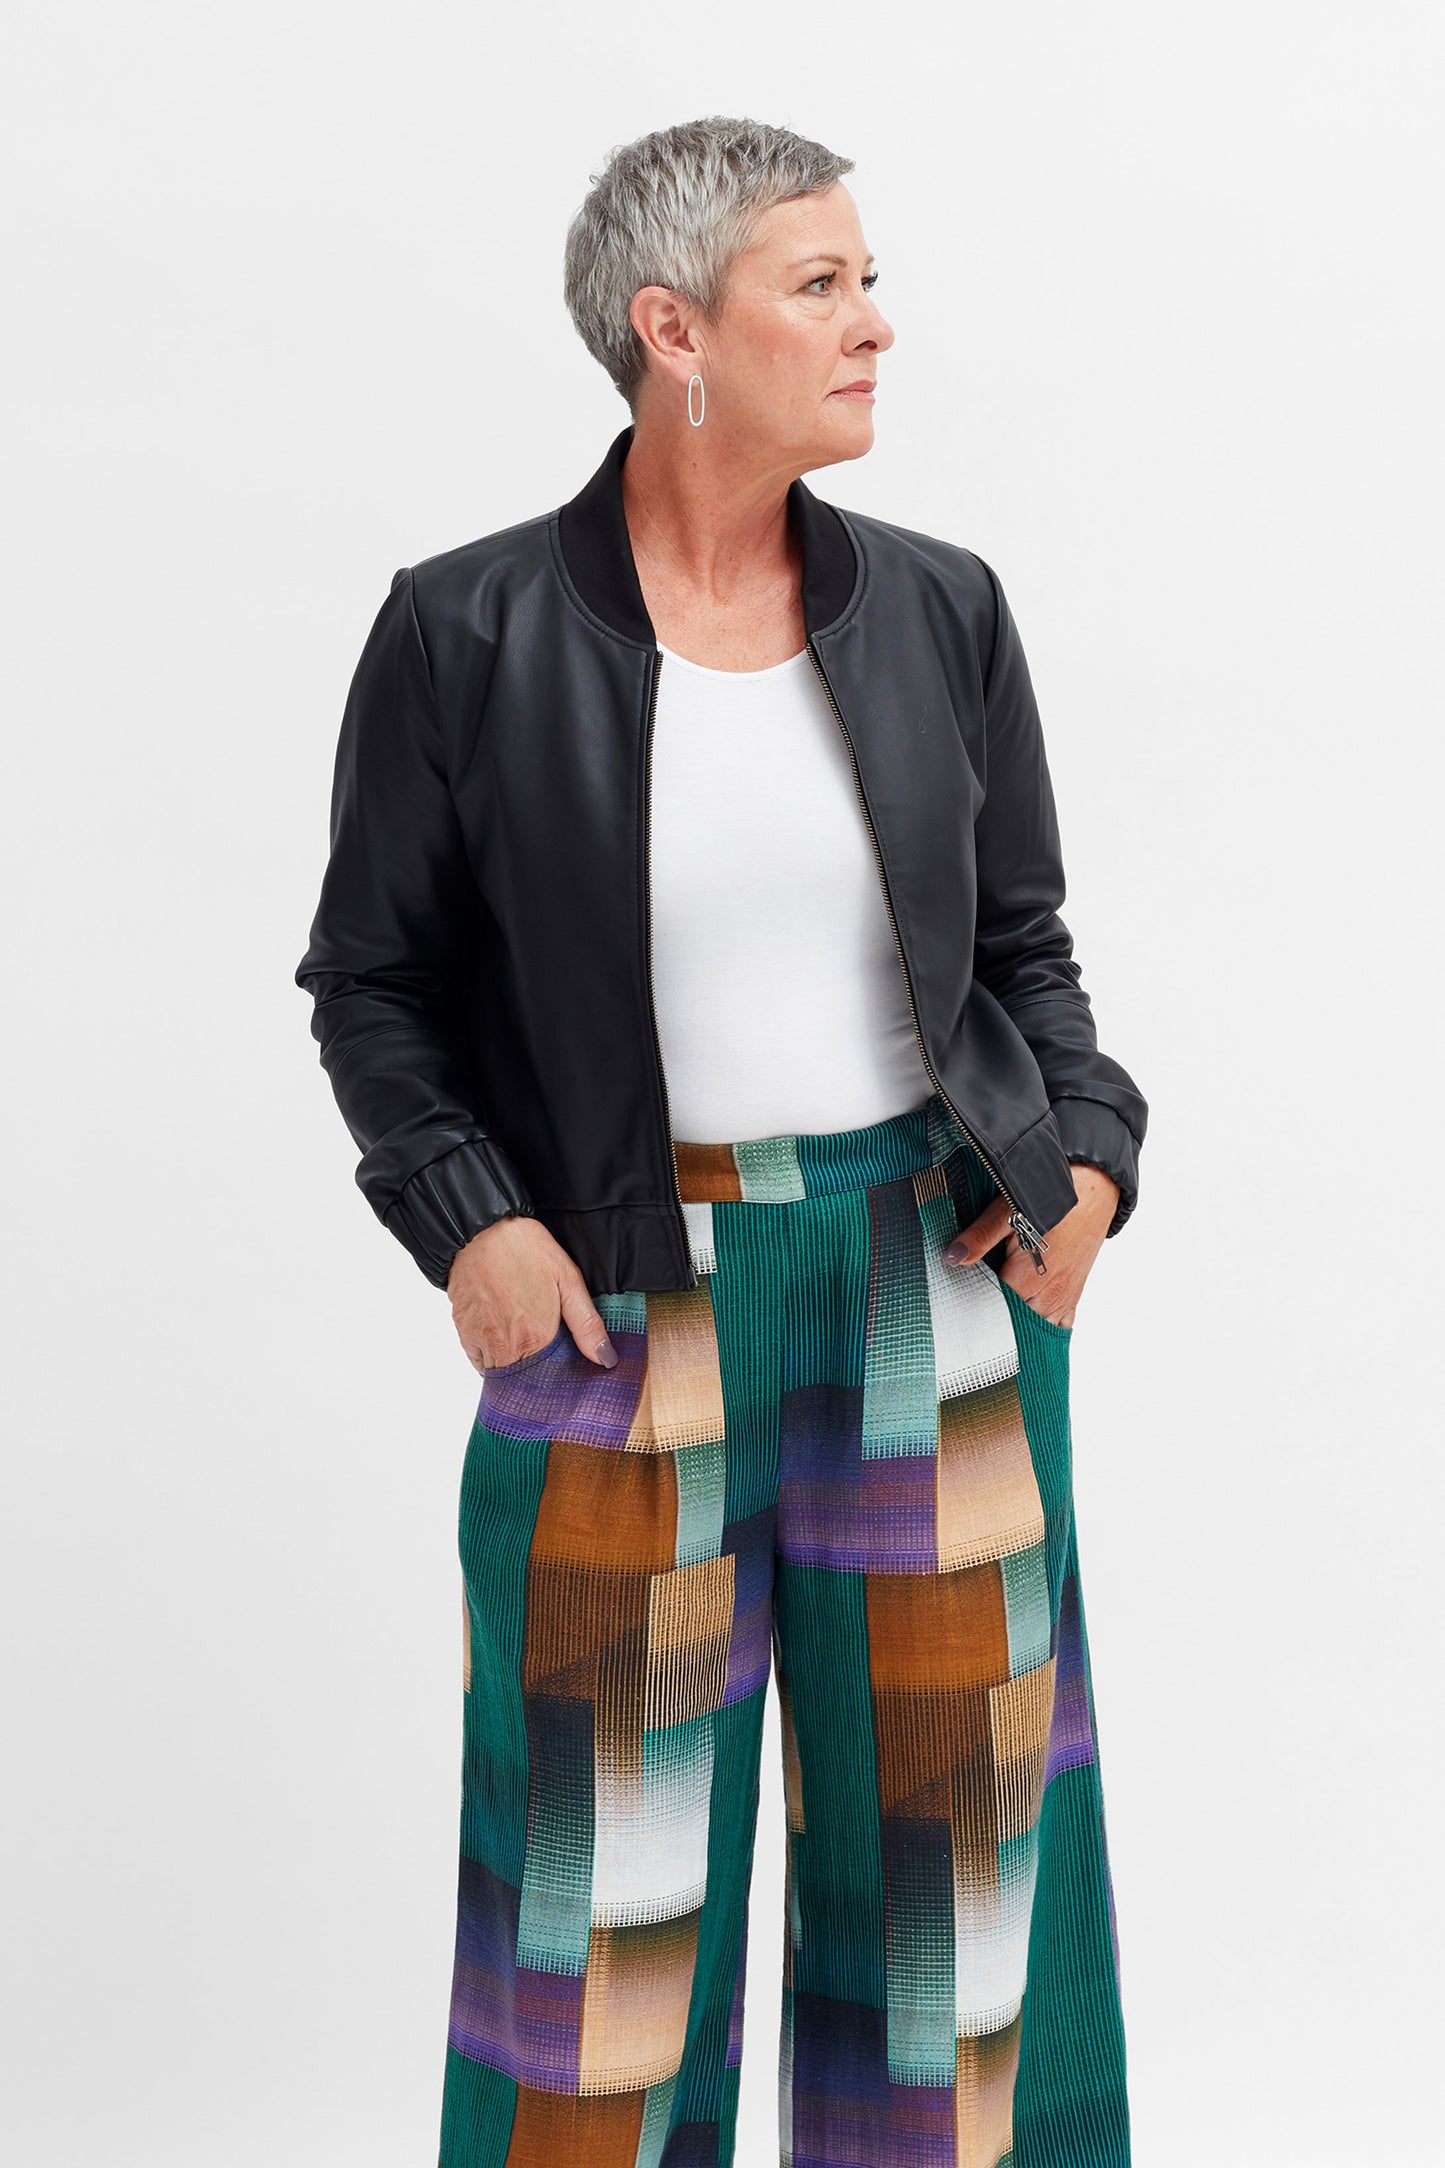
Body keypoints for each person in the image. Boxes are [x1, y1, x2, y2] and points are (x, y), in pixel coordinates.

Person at [295, 114, 1147, 2168]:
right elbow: (374, 982)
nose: (875, 325)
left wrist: (1091, 1165)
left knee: (954, 1907)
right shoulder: (467, 631)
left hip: (928, 1278)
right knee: (596, 1928)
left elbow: (1022, 950)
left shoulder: (939, 610)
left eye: (869, 281)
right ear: (672, 331)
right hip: (616, 1301)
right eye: (821, 285)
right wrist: (469, 1223)